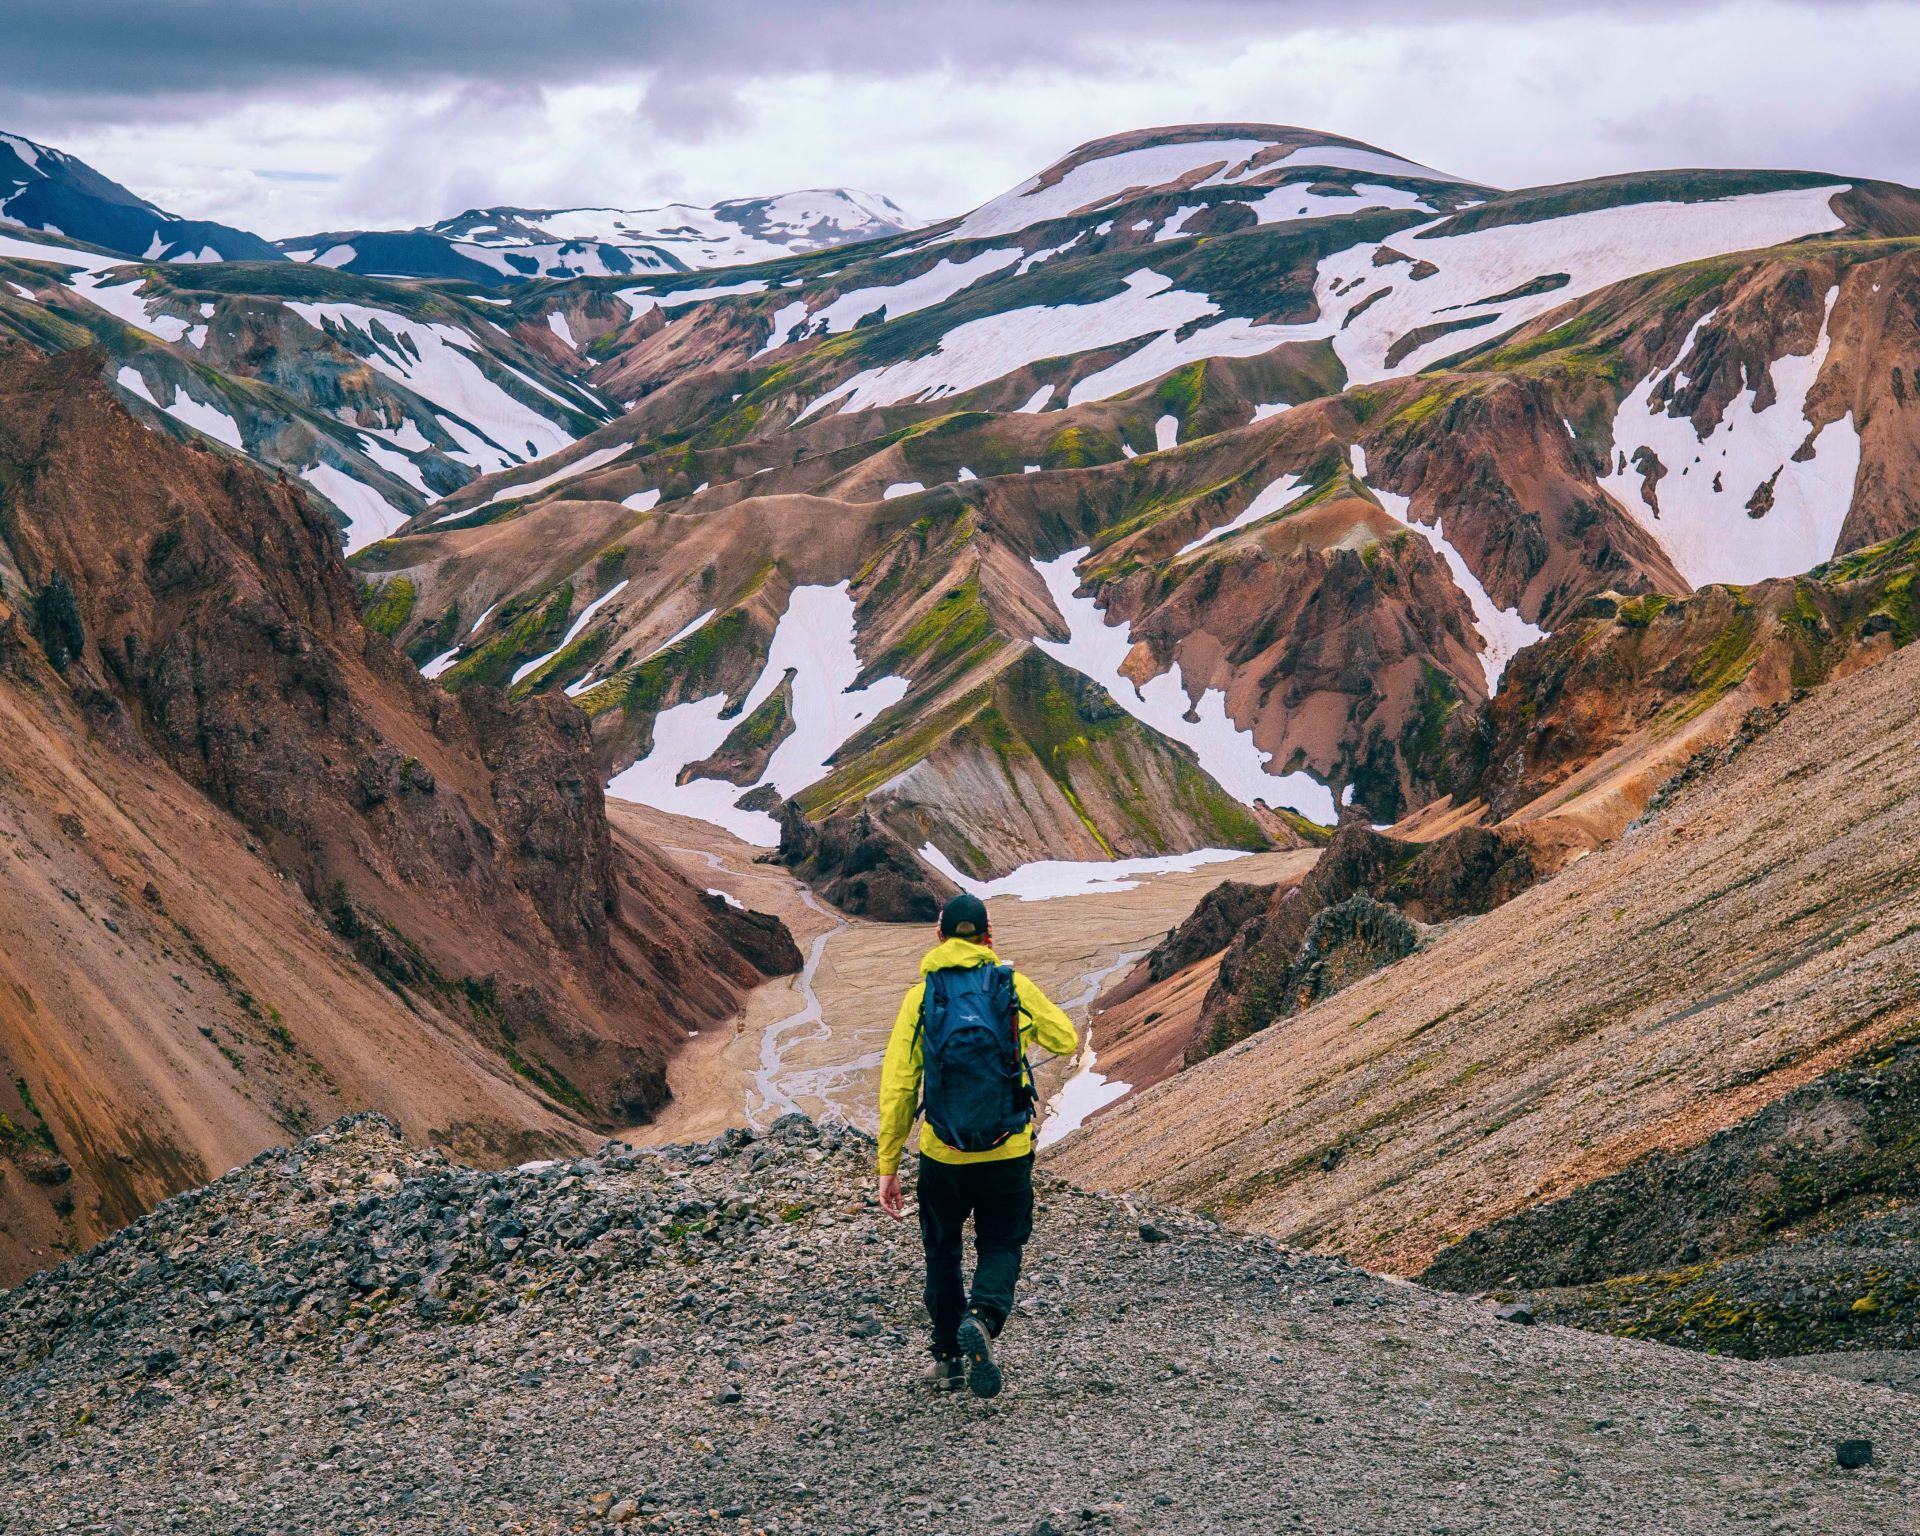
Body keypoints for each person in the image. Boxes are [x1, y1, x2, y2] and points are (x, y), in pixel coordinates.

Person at [875, 891, 1078, 1397]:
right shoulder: (1011, 985)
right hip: (1007, 1148)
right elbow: (1066, 1039)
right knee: (1002, 1242)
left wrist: (888, 1163)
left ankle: (947, 1359)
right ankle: (983, 1317)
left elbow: (899, 1085)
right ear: (988, 937)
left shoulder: (919, 998)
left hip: (943, 1152)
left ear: (939, 936)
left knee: (941, 1252)